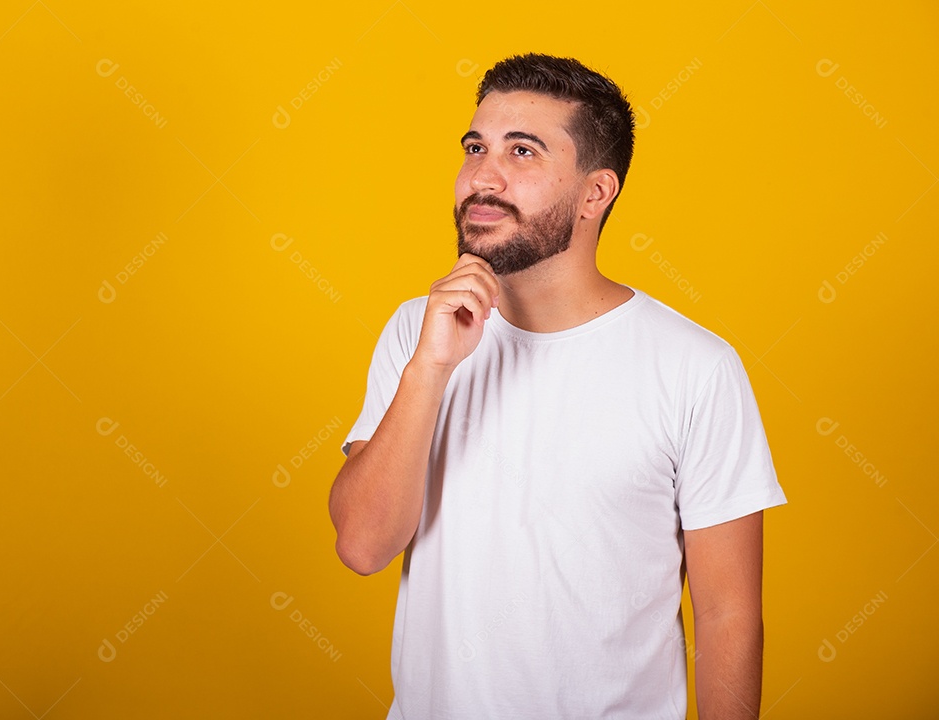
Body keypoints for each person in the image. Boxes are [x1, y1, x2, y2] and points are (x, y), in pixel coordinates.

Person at [328, 53, 787, 720]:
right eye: (475, 147)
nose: (482, 177)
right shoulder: (417, 333)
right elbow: (363, 546)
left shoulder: (696, 367)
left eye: (523, 152)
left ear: (596, 193)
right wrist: (429, 369)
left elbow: (728, 615)